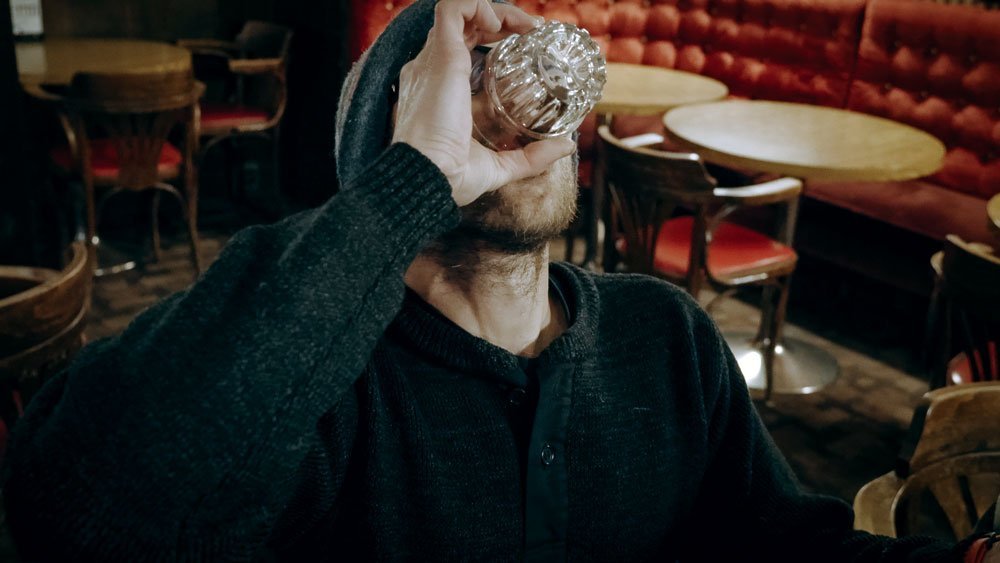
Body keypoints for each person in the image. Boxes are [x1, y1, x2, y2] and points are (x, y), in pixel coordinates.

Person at [2, 0, 998, 561]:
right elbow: (85, 511)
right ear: (385, 156)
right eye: (453, 86)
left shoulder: (663, 334)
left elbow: (779, 548)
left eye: (513, 70)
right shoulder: (314, 384)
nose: (506, 111)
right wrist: (415, 186)